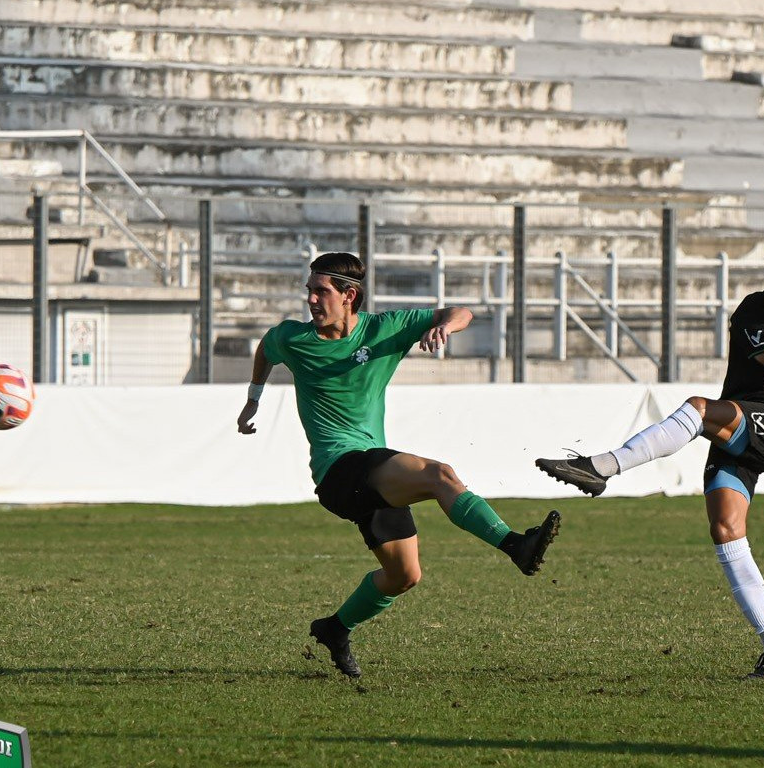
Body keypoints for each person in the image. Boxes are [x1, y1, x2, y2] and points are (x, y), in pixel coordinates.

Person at [536, 230, 764, 680]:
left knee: (698, 411)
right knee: (725, 528)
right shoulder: (752, 314)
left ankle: (600, 468)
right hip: (741, 422)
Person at [238, 251, 561, 680]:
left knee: (405, 575)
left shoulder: (383, 329)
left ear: (349, 295)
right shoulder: (293, 338)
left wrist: (445, 326)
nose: (312, 300)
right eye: (309, 291)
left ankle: (335, 628)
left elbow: (461, 312)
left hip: (371, 472)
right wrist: (253, 399)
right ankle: (514, 545)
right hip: (340, 470)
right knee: (439, 475)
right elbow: (265, 349)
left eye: (321, 291)